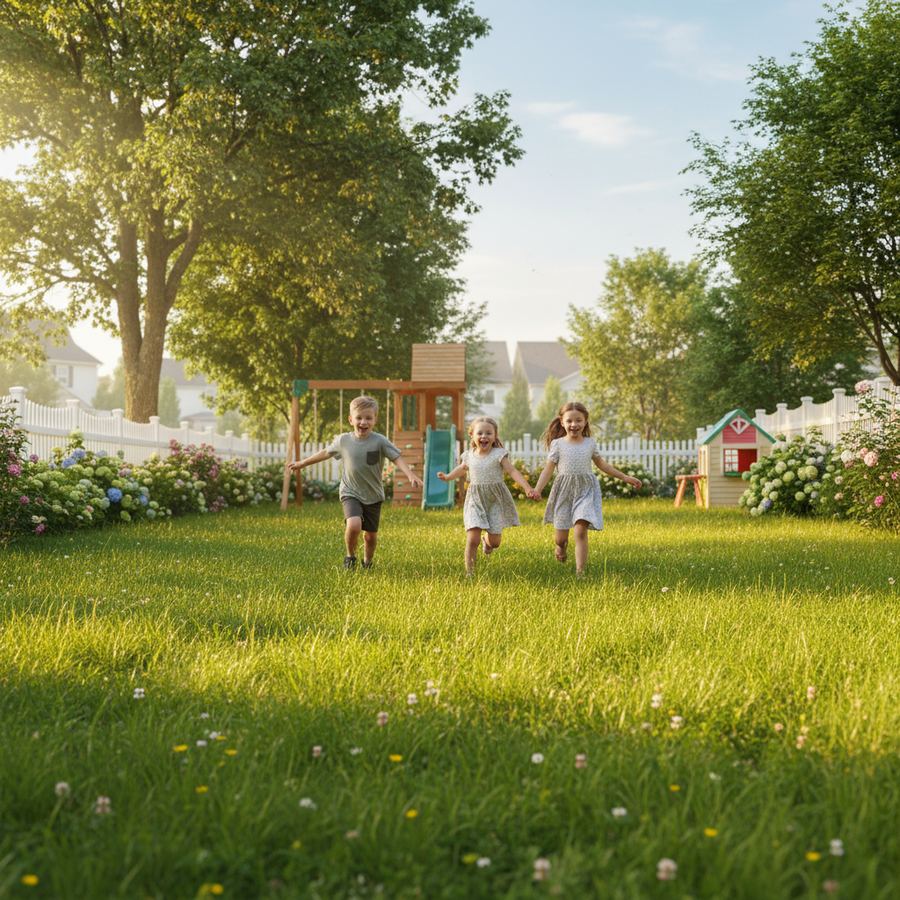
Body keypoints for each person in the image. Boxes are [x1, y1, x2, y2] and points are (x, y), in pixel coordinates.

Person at [289, 395, 422, 569]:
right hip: (350, 491)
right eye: (359, 418)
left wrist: (410, 475)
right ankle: (350, 557)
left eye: (368, 418)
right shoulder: (344, 440)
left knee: (370, 536)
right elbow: (325, 453)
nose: (363, 422)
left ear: (375, 419)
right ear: (351, 419)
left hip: (373, 494)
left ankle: (367, 562)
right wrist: (302, 463)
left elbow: (396, 458)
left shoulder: (379, 441)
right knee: (354, 525)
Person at [532, 401, 641, 576]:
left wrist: (625, 477)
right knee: (561, 539)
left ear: (585, 421)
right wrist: (537, 489)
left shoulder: (590, 443)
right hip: (564, 491)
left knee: (581, 529)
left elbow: (602, 465)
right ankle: (560, 548)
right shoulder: (558, 444)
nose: (574, 425)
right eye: (569, 421)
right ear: (562, 422)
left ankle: (580, 572)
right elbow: (548, 469)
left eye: (578, 420)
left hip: (585, 490)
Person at [437, 416, 537, 576]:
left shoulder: (499, 454)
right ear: (472, 435)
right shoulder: (469, 455)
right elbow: (462, 469)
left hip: (495, 500)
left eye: (489, 433)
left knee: (495, 542)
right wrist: (448, 477)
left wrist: (527, 487)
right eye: (480, 433)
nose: (484, 436)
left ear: (495, 436)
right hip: (475, 499)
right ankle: (470, 573)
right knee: (472, 538)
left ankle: (487, 542)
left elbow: (511, 471)